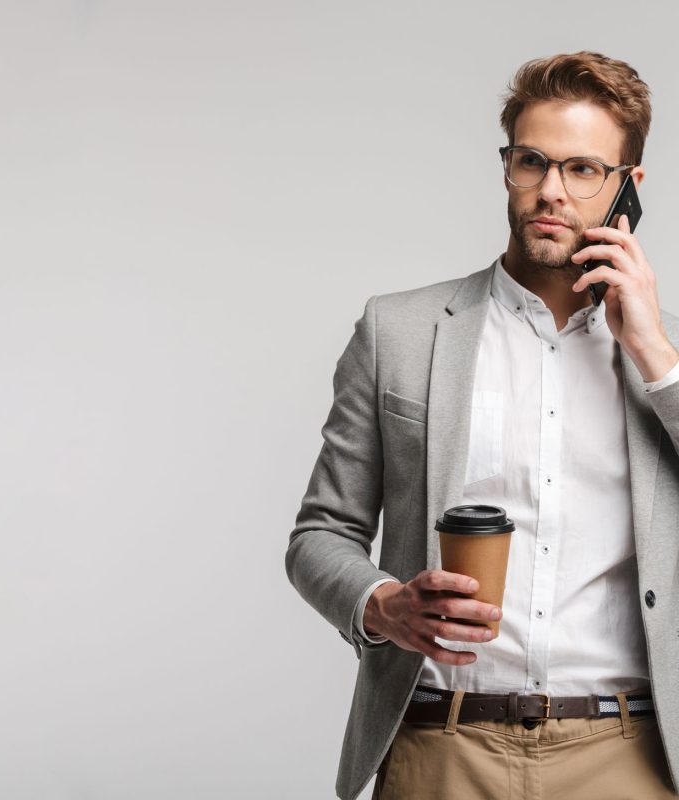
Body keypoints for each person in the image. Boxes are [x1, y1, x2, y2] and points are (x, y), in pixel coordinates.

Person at [285, 51, 679, 800]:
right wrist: (383, 606)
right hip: (443, 744)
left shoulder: (668, 362)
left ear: (630, 187)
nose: (551, 193)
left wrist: (655, 355)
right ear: (508, 166)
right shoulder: (397, 331)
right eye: (531, 162)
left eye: (584, 170)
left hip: (627, 755)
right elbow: (318, 537)